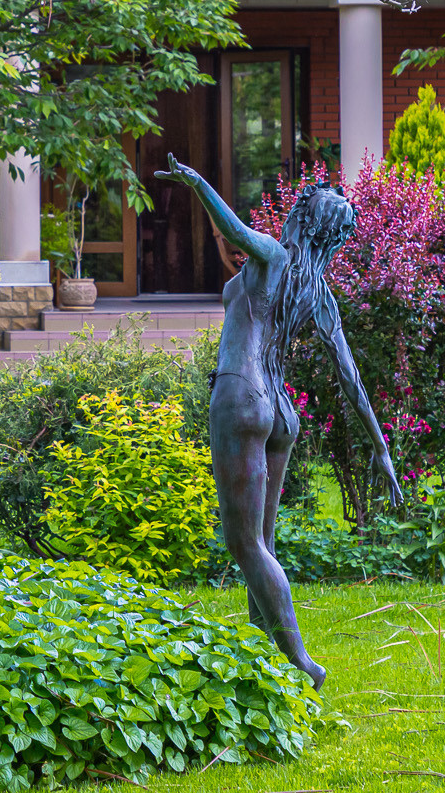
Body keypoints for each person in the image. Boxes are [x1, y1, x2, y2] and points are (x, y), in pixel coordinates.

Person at [154, 154, 403, 688]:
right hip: (279, 409)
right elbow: (351, 377)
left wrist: (197, 181)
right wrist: (380, 446)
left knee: (245, 546)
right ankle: (260, 659)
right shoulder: (317, 293)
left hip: (240, 396)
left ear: (302, 219)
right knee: (262, 547)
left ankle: (303, 664)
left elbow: (236, 231)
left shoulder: (272, 257)